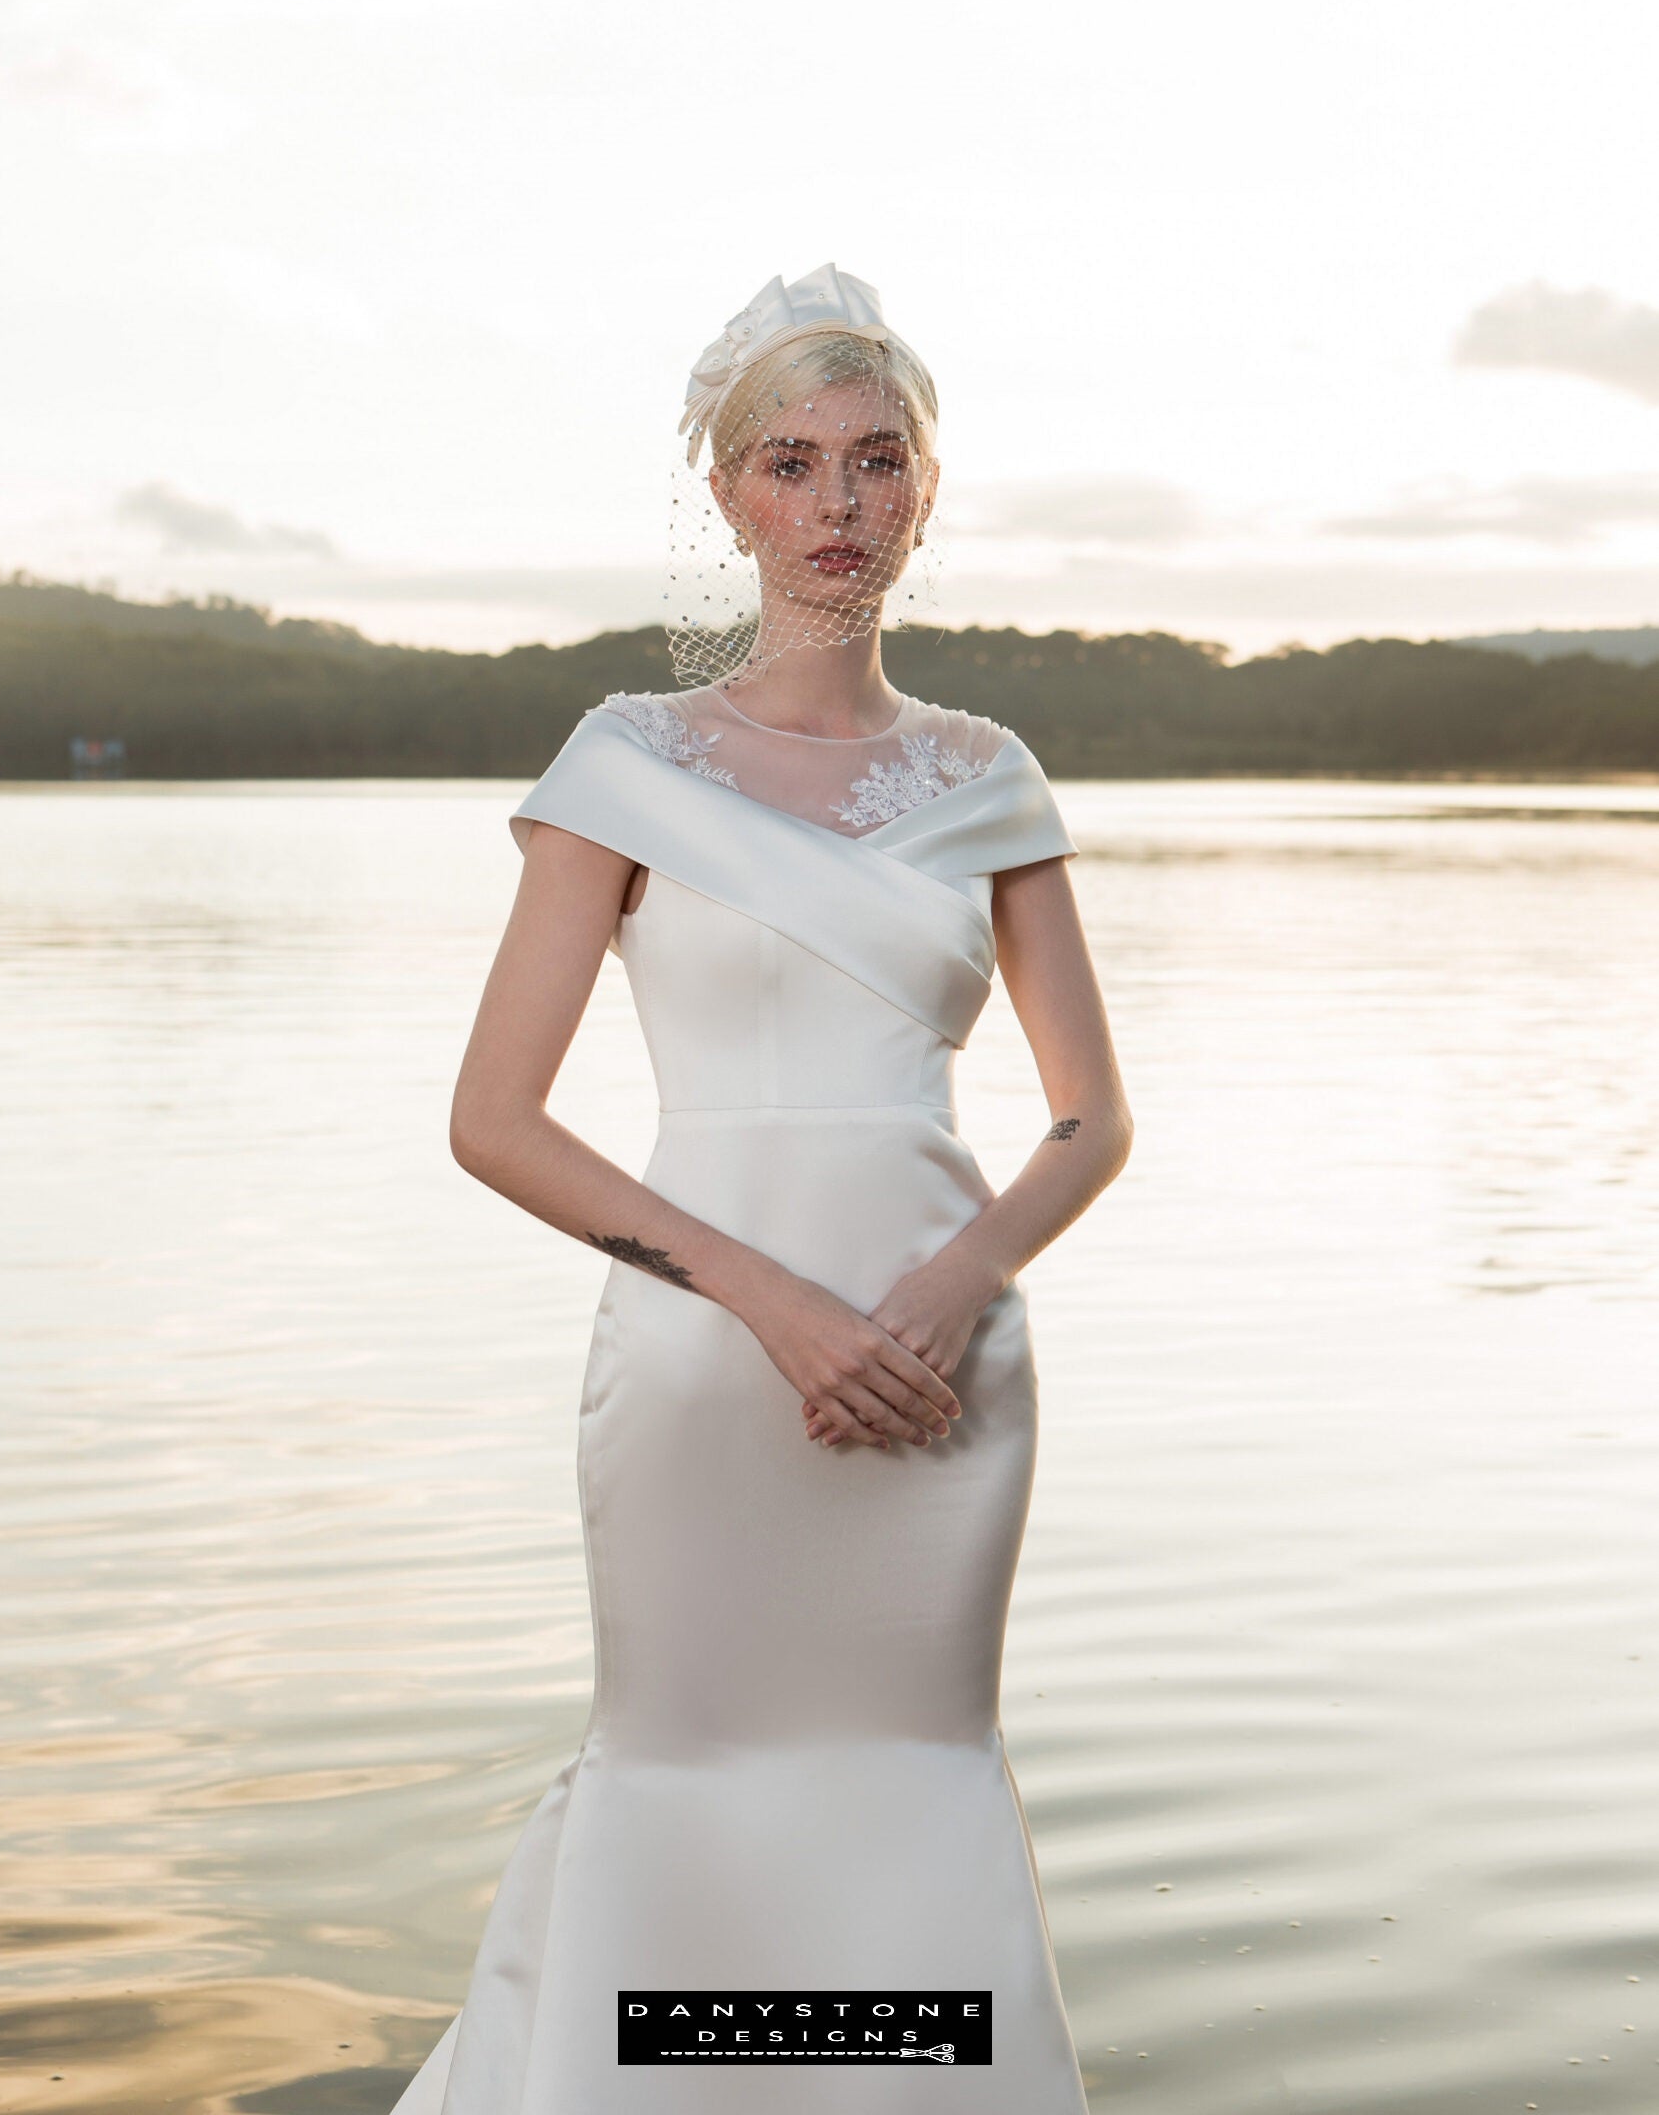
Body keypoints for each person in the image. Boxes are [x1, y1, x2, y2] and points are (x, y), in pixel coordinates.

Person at [391, 263, 1132, 2111]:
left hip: (941, 1366)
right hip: (710, 1363)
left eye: (878, 464)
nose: (839, 509)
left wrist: (953, 1290)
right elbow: (497, 1118)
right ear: (726, 493)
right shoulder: (628, 764)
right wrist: (772, 1300)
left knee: (911, 1777)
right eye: (792, 465)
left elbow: (1089, 1119)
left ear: (928, 488)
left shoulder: (988, 777)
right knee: (692, 1771)